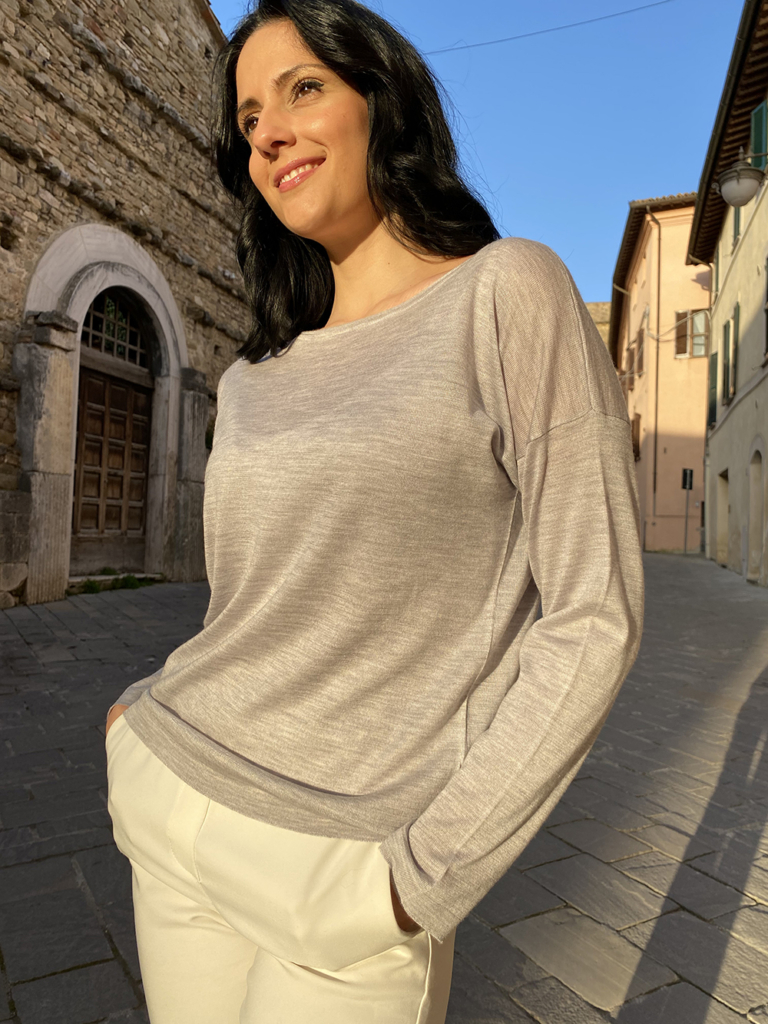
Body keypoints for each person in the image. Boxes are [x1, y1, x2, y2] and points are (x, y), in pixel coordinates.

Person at [104, 0, 645, 1021]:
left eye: (303, 89)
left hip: (345, 869)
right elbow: (252, 605)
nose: (269, 132)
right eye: (248, 117)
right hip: (175, 791)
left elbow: (594, 613)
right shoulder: (256, 374)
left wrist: (420, 876)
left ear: (381, 100)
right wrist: (138, 717)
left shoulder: (506, 293)